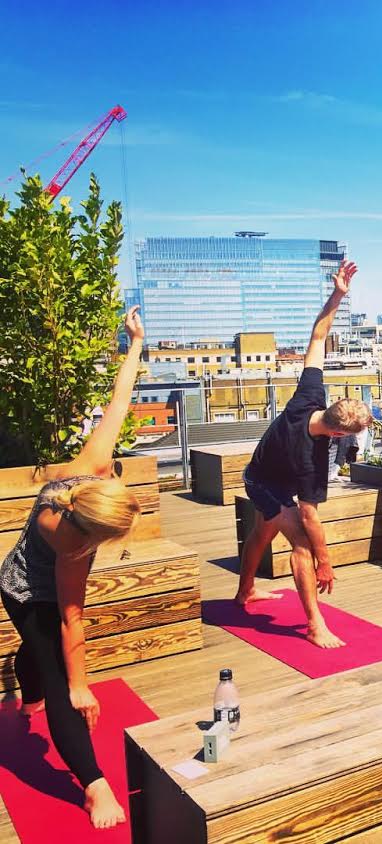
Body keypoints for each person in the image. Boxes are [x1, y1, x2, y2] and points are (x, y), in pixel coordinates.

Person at [0, 307, 145, 830]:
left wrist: (133, 344)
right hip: (22, 589)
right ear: (92, 532)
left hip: (30, 577)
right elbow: (70, 618)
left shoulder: (90, 470)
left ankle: (29, 693)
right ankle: (93, 786)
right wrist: (82, 685)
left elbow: (118, 403)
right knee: (63, 682)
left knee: (34, 661)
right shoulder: (71, 545)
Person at [235, 260, 372, 648]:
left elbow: (317, 335)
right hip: (262, 480)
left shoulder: (308, 397)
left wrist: (338, 295)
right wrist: (324, 560)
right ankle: (314, 624)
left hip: (266, 471)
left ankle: (245, 592)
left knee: (262, 533)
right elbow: (310, 517)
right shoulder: (311, 459)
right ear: (336, 431)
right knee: (299, 542)